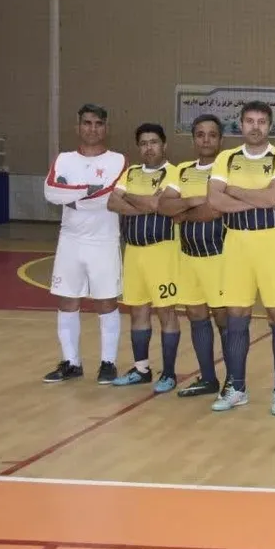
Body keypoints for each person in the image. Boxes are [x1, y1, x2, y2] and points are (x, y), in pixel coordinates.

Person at [207, 101, 275, 416]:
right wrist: (257, 198)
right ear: (241, 124)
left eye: (261, 121)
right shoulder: (226, 158)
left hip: (271, 242)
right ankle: (237, 387)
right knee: (236, 317)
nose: (255, 127)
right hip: (235, 243)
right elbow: (214, 201)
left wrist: (233, 191)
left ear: (269, 126)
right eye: (249, 121)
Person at [41, 104, 127, 385]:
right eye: (87, 123)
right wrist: (86, 191)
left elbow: (108, 196)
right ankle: (71, 362)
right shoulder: (64, 159)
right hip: (70, 239)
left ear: (106, 128)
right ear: (78, 127)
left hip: (104, 240)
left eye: (98, 123)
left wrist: (72, 198)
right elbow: (50, 191)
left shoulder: (118, 160)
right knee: (67, 299)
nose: (92, 129)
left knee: (106, 301)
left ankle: (108, 363)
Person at [157, 113, 230, 398]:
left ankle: (234, 381)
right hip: (188, 257)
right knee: (197, 317)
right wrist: (194, 200)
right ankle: (208, 378)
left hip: (220, 257)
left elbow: (216, 209)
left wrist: (183, 212)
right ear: (193, 140)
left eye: (212, 135)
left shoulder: (228, 168)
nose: (206, 140)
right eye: (200, 134)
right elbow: (164, 205)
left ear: (220, 139)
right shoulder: (183, 170)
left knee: (224, 320)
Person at [107, 124, 182, 390]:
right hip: (134, 252)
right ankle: (141, 369)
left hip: (163, 251)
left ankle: (169, 374)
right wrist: (147, 203)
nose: (149, 148)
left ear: (164, 145)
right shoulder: (131, 173)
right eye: (144, 143)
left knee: (166, 312)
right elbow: (112, 203)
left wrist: (129, 197)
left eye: (154, 142)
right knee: (138, 310)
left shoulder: (175, 173)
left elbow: (159, 204)